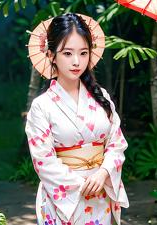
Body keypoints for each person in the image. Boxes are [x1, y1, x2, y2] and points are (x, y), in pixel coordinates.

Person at [25, 13, 129, 225]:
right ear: (52, 55)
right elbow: (43, 161)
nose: (76, 62)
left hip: (101, 193)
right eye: (67, 53)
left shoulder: (102, 97)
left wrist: (103, 173)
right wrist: (81, 185)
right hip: (64, 199)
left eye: (83, 53)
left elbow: (116, 143)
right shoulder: (42, 106)